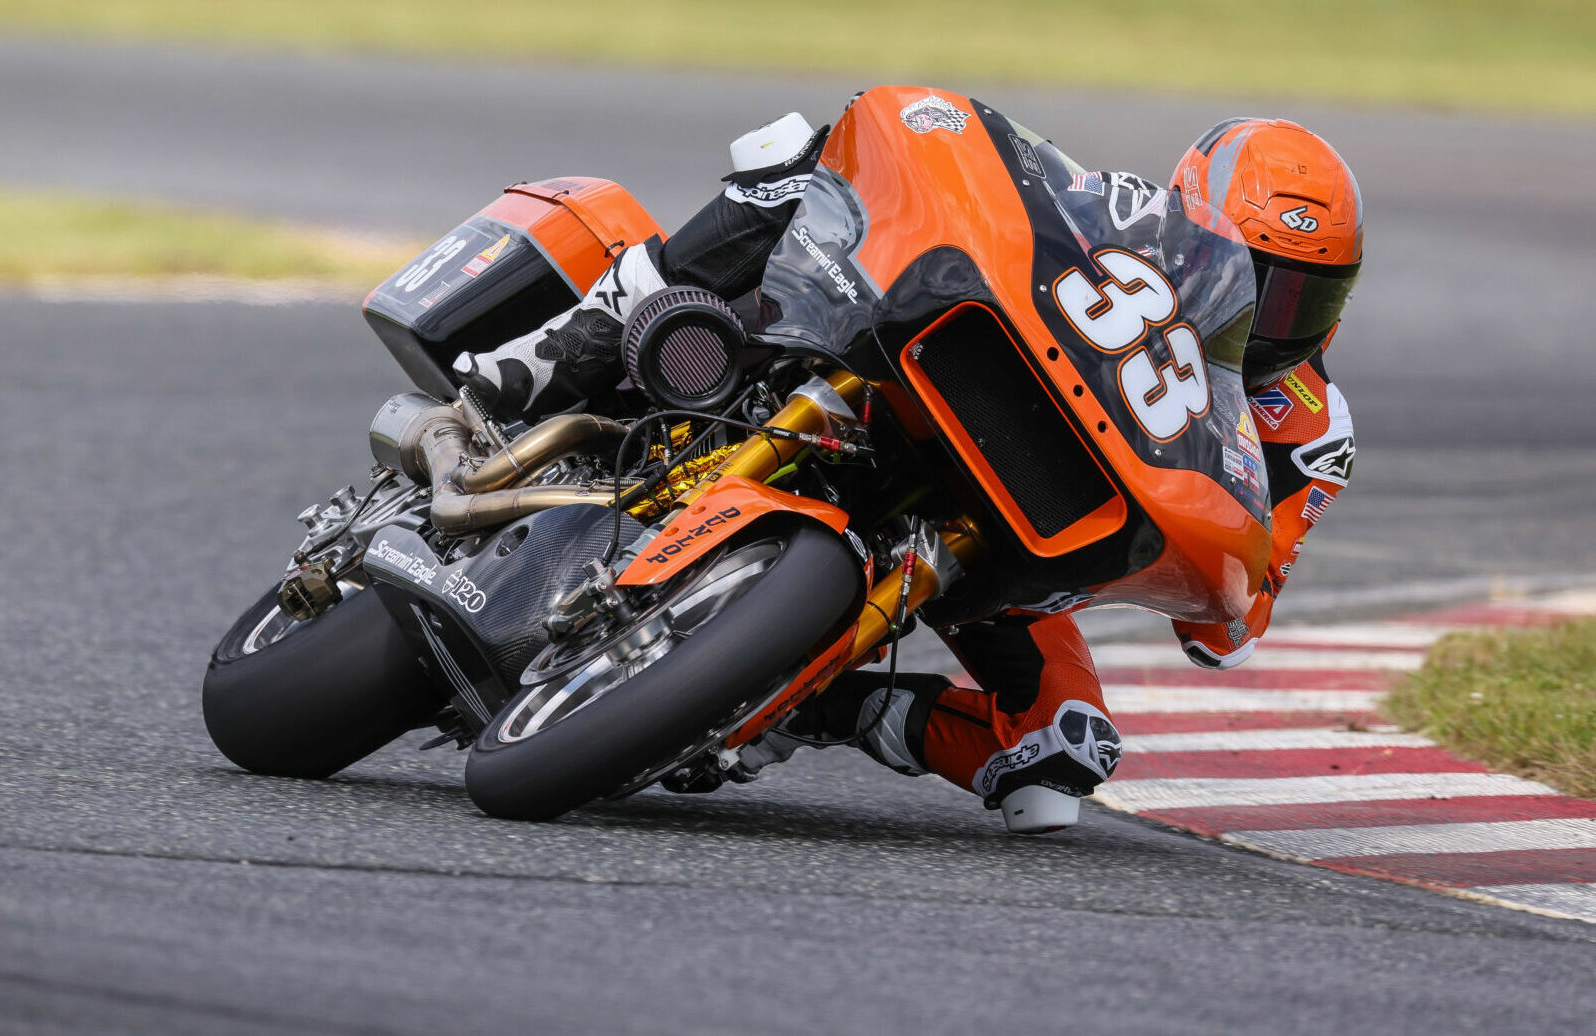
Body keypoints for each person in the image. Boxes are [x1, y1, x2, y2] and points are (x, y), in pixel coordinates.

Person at [452, 111, 1363, 833]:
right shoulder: (1121, 214)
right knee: (795, 157)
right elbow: (990, 185)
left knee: (1059, 758)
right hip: (917, 386)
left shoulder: (1313, 432)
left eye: (1307, 296)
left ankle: (792, 700)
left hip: (1016, 537)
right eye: (1261, 281)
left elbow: (1231, 625)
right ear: (1197, 224)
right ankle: (552, 355)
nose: (1280, 320)